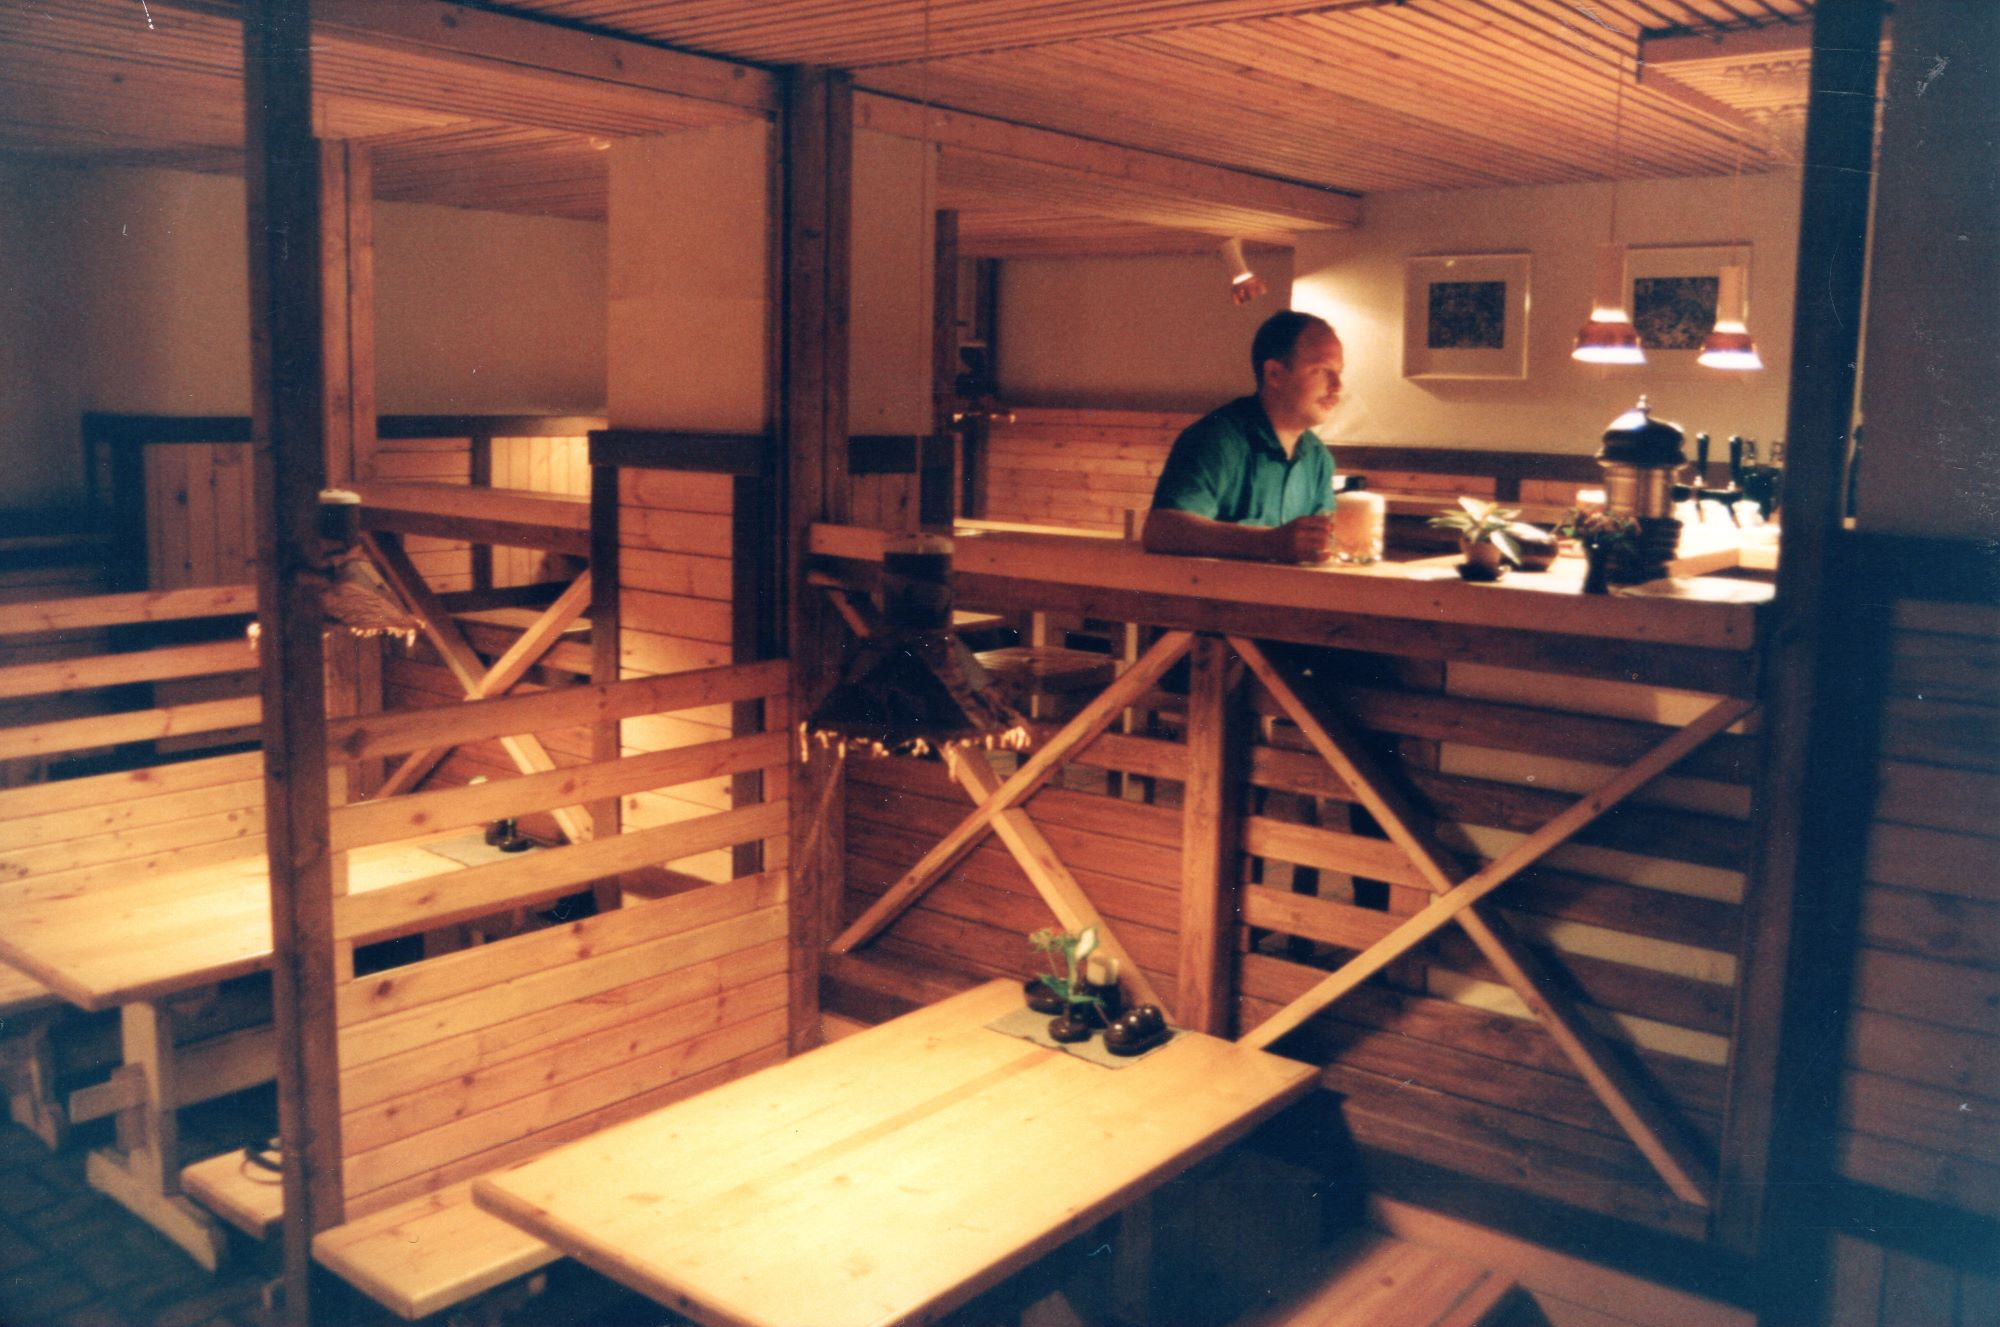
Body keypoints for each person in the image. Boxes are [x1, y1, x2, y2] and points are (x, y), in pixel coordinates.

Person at [1142, 310, 1344, 562]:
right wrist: (1270, 542)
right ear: (1274, 374)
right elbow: (1162, 529)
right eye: (1322, 371)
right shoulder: (1216, 438)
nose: (1337, 386)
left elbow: (1323, 546)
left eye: (1339, 372)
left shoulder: (1319, 459)